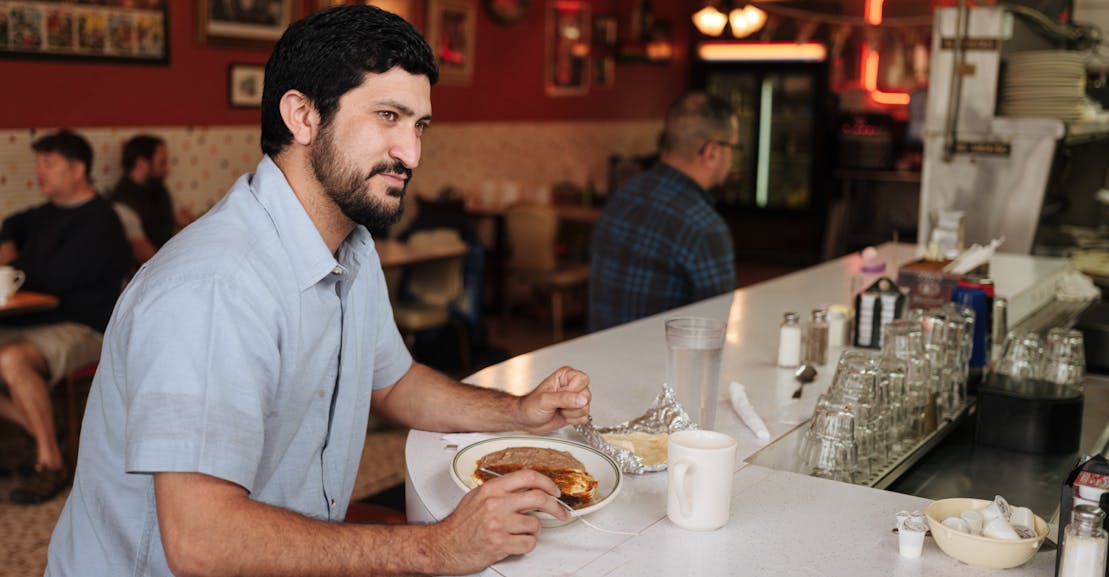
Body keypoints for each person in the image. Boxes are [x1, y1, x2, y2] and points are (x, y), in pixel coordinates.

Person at [47, 6, 592, 576]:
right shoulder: (215, 288)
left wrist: (520, 413)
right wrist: (439, 547)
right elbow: (202, 542)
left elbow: (395, 383)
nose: (412, 153)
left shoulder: (349, 245)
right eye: (388, 116)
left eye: (420, 125)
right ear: (302, 116)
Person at [0, 130, 130, 504]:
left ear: (78, 169)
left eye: (48, 163)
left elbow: (55, 279)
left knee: (13, 358)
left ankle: (51, 462)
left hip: (85, 327)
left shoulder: (101, 221)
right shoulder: (44, 214)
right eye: (38, 163)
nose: (39, 172)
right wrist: (9, 244)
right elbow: (11, 223)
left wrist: (14, 266)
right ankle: (43, 429)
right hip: (34, 320)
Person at [588, 92, 739, 332]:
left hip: (594, 361)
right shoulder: (704, 227)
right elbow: (715, 330)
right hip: (661, 366)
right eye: (733, 147)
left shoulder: (623, 196)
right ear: (712, 152)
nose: (733, 159)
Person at [109, 134, 193, 263]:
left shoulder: (158, 189)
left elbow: (188, 222)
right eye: (162, 162)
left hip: (169, 262)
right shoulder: (122, 203)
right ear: (141, 164)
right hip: (149, 274)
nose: (167, 169)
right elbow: (146, 255)